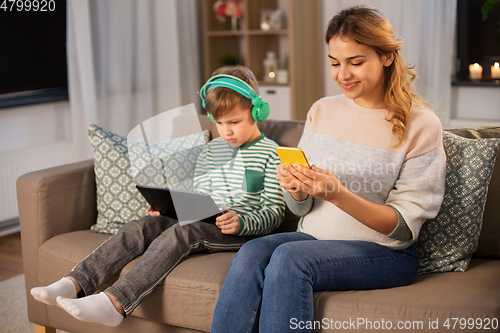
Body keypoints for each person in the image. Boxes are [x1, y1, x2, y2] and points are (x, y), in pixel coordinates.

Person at [210, 6, 446, 333]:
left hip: (386, 254)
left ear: (387, 57)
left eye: (356, 62)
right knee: (252, 252)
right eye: (335, 63)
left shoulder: (421, 125)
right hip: (311, 236)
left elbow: (404, 229)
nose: (342, 74)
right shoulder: (321, 110)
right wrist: (296, 189)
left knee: (289, 260)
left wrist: (338, 195)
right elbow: (302, 206)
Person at [30, 65, 285, 327]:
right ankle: (74, 283)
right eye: (218, 123)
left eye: (234, 122)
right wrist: (170, 208)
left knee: (181, 233)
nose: (226, 131)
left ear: (256, 112)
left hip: (240, 233)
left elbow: (275, 214)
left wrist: (242, 223)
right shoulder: (211, 151)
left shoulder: (271, 154)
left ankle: (116, 303)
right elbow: (198, 196)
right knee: (141, 226)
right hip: (202, 219)